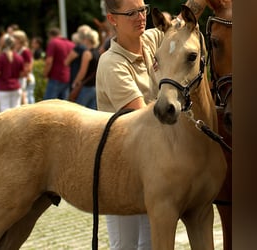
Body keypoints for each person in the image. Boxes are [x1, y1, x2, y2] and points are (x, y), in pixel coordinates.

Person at [96, 0, 207, 249]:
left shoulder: (151, 41)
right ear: (112, 19)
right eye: (131, 13)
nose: (141, 17)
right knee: (125, 246)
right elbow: (146, 117)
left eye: (143, 9)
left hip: (154, 167)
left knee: (150, 244)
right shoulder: (111, 63)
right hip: (121, 170)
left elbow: (184, 21)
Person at [70, 29, 100, 109]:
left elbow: (82, 72)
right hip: (96, 87)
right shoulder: (98, 53)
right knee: (92, 113)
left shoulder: (87, 53)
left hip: (86, 87)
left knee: (78, 110)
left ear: (87, 40)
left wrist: (75, 82)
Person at [0, 35, 24, 113]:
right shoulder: (19, 57)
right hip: (15, 86)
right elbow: (22, 73)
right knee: (16, 111)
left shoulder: (1, 57)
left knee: (4, 111)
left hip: (3, 87)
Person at [43, 27, 74, 100]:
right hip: (67, 76)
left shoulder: (53, 43)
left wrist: (45, 74)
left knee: (49, 103)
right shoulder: (71, 44)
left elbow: (49, 61)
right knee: (63, 105)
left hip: (55, 77)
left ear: (50, 36)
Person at [65, 25, 91, 91]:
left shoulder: (79, 48)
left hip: (77, 79)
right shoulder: (93, 49)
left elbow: (66, 62)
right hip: (90, 82)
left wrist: (75, 82)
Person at [13, 29, 36, 104]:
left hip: (24, 77)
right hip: (20, 77)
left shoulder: (25, 51)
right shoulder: (16, 50)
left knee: (26, 96)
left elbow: (29, 66)